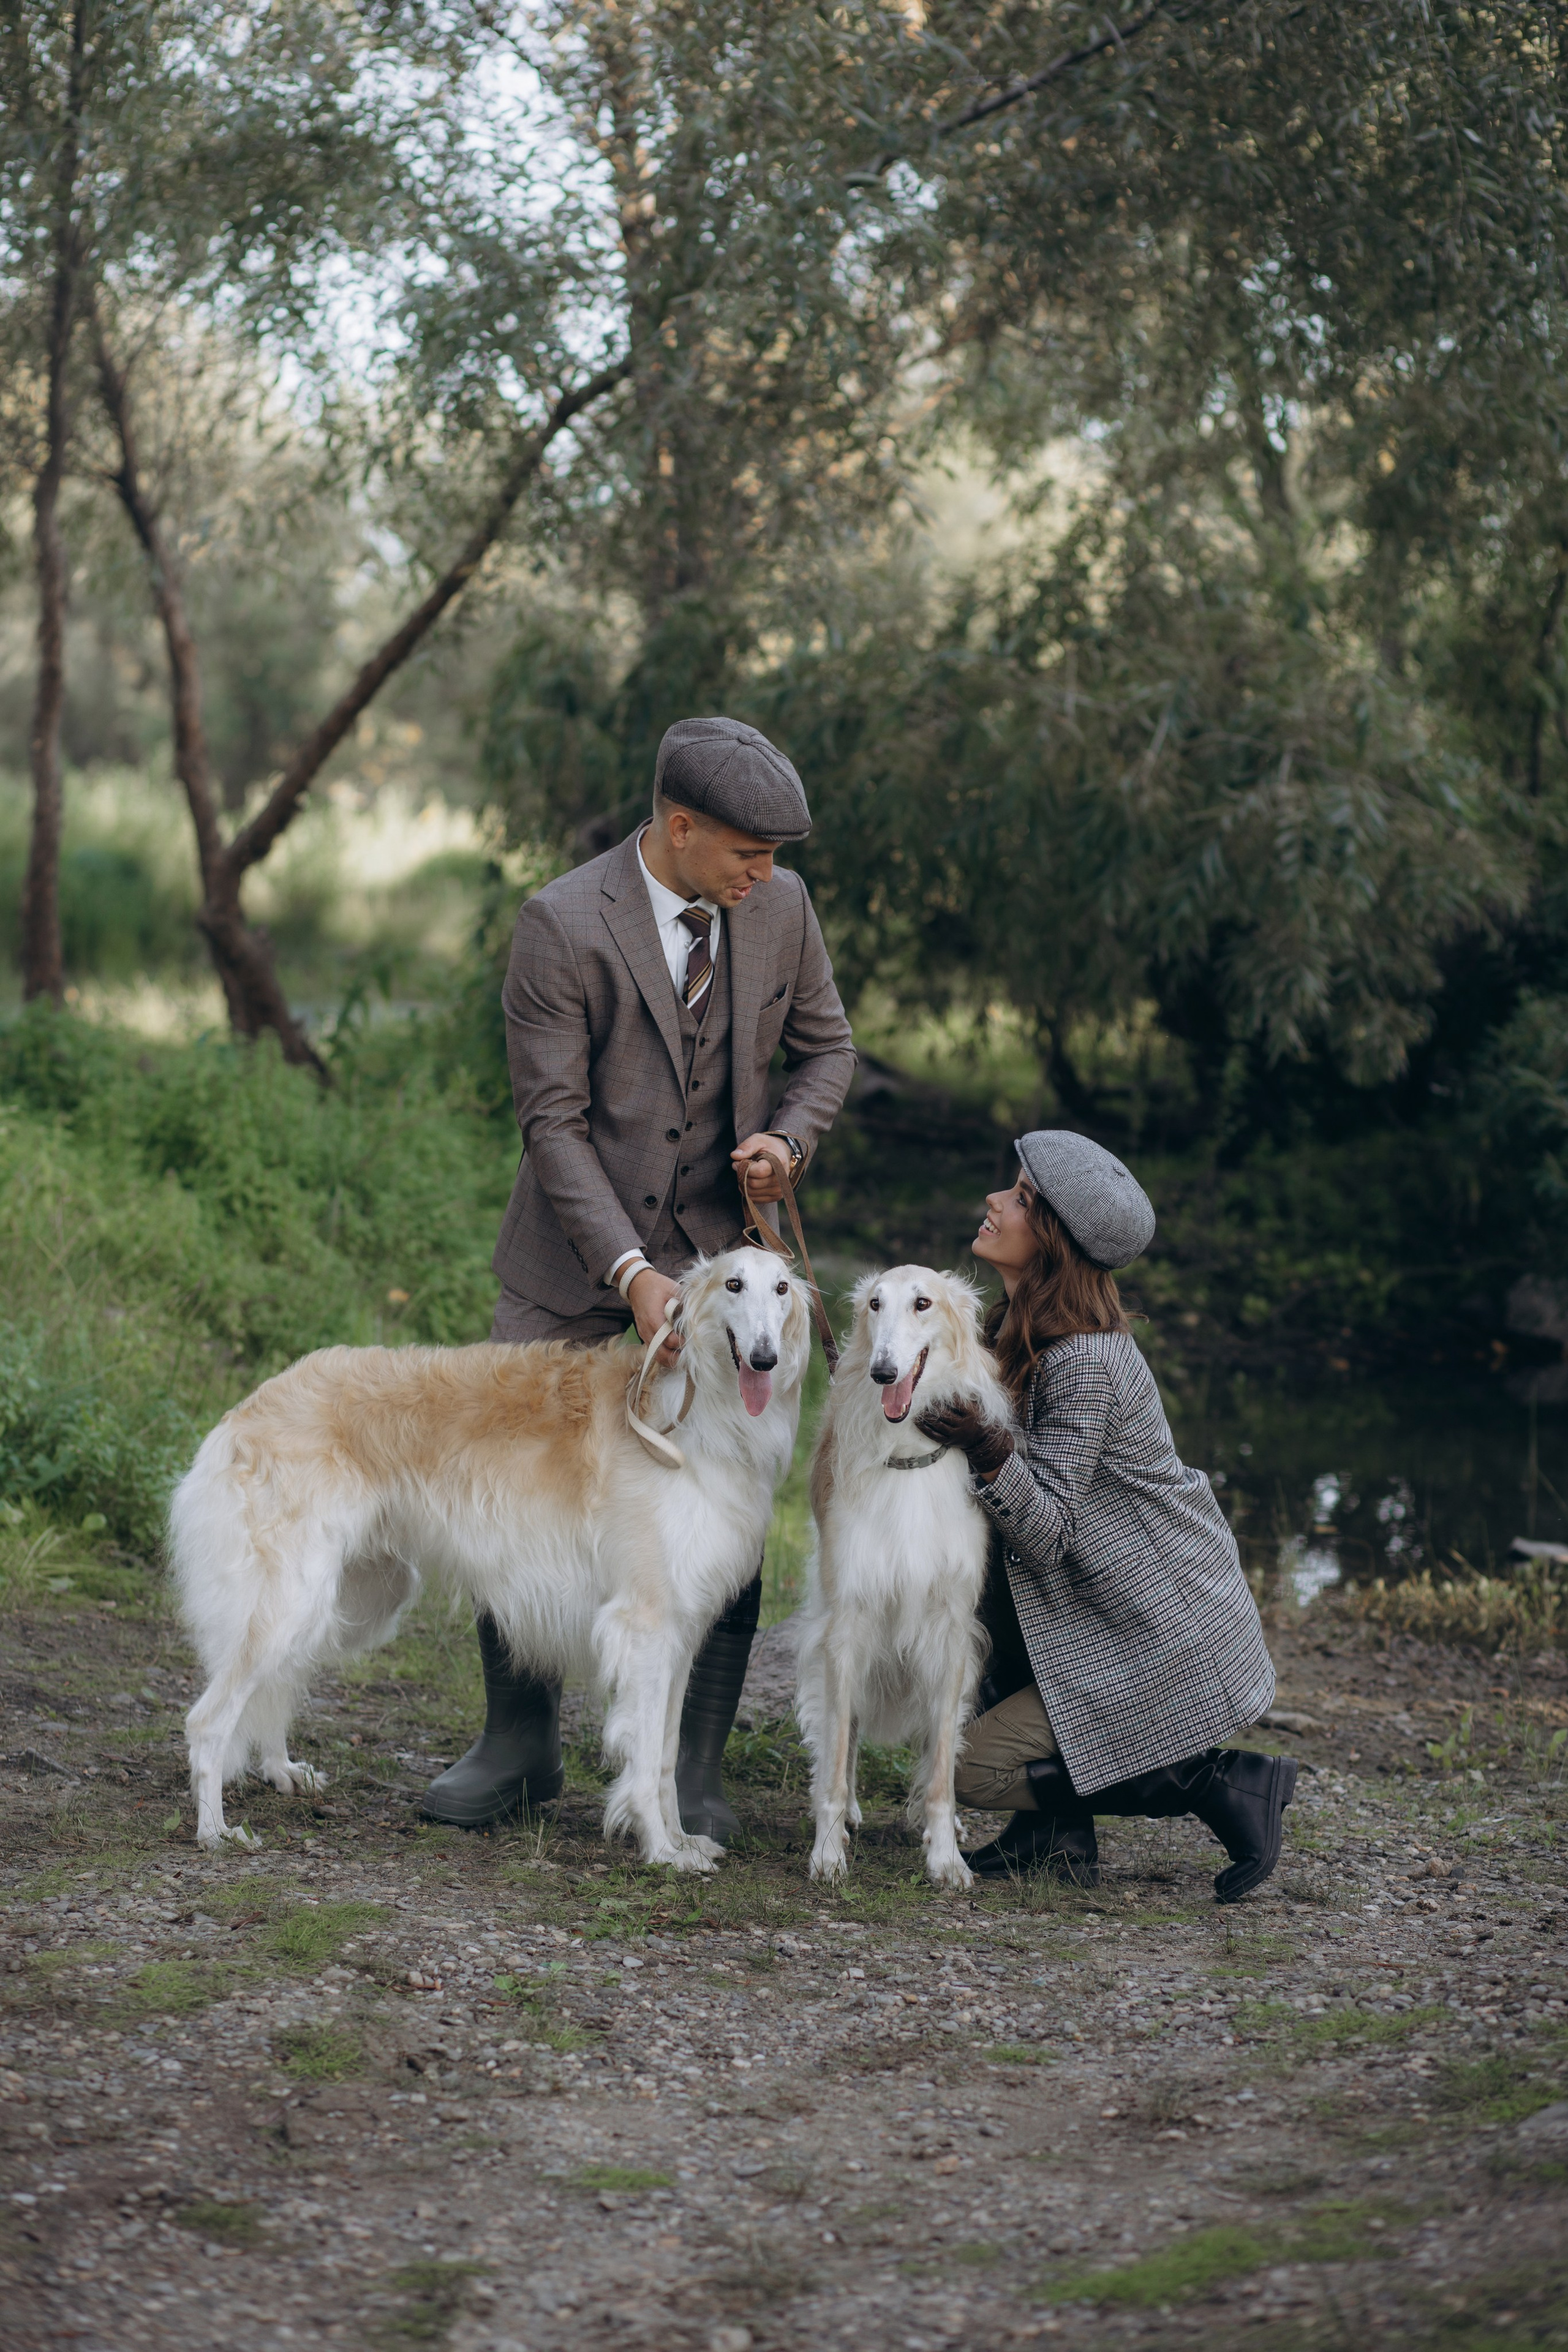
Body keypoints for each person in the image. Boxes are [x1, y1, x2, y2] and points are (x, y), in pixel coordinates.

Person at [421, 717, 856, 1841]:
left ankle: (693, 1767)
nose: (765, 877)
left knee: (729, 1495)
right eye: (747, 854)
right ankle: (518, 1746)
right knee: (524, 1492)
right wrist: (628, 1270)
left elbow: (829, 1050)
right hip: (570, 1267)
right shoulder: (563, 922)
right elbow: (550, 1124)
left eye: (772, 859)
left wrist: (789, 1145)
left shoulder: (784, 910)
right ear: (680, 827)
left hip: (728, 1273)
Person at [917, 1130, 1295, 1901]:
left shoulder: (1084, 1360)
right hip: (1087, 1616)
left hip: (1151, 1630)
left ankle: (1217, 1781)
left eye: (1019, 1197)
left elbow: (1047, 1530)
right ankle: (1052, 1839)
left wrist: (989, 1447)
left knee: (962, 1770)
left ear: (1052, 1239)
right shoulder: (1019, 1332)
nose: (995, 1200)